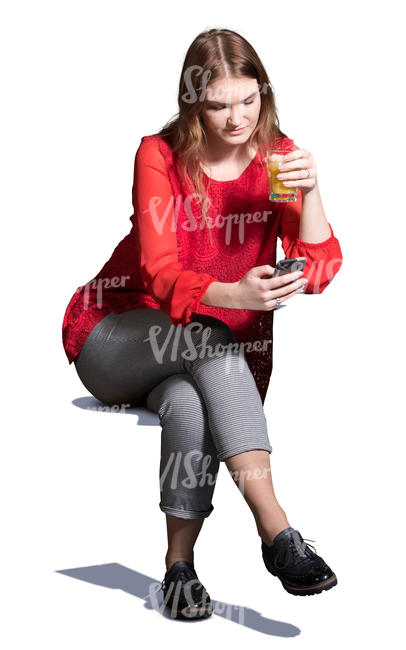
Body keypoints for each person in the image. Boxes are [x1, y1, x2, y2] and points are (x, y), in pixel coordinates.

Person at [62, 27, 343, 619]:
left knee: (189, 402)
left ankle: (178, 570)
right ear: (195, 103)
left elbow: (318, 271)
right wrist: (234, 291)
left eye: (248, 100)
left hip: (203, 355)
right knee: (210, 333)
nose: (236, 118)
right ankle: (277, 531)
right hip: (116, 334)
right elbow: (160, 272)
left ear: (263, 93)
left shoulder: (276, 156)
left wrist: (311, 193)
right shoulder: (159, 155)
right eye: (218, 105)